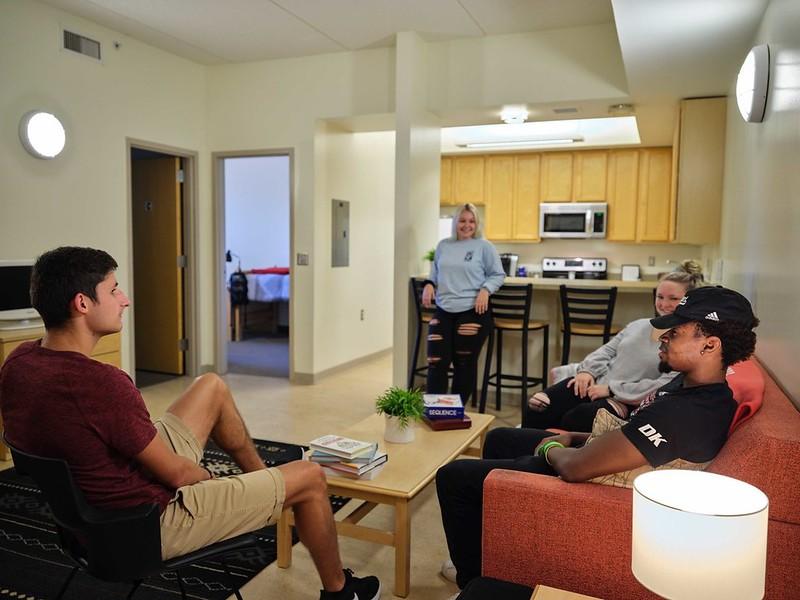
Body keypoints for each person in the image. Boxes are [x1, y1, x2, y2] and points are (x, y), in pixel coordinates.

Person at [0, 247, 380, 600]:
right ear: (82, 303)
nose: (125, 300)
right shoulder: (101, 383)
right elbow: (180, 476)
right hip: (146, 524)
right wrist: (219, 489)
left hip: (89, 517)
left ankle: (269, 490)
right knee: (311, 475)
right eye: (114, 290)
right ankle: (341, 591)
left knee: (210, 386)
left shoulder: (20, 361)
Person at [436, 285, 758, 592]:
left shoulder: (687, 415)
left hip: (585, 482)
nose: (663, 338)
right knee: (500, 439)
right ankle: (485, 551)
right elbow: (630, 435)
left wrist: (550, 446)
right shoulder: (692, 386)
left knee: (453, 477)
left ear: (710, 345)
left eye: (675, 332)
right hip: (605, 454)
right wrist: (574, 435)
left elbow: (575, 469)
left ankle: (471, 579)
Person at [525, 260, 705, 431]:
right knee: (538, 404)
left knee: (575, 418)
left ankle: (548, 458)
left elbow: (663, 386)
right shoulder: (639, 324)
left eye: (673, 298)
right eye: (660, 297)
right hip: (594, 384)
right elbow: (606, 351)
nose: (664, 304)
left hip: (623, 399)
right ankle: (521, 458)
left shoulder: (686, 344)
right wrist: (587, 371)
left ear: (688, 301)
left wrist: (613, 390)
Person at [422, 203, 505, 405]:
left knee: (464, 363)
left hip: (472, 311)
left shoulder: (484, 246)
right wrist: (429, 284)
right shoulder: (443, 245)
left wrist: (486, 290)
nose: (466, 225)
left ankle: (455, 411)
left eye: (471, 221)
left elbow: (498, 274)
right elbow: (435, 274)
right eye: (462, 220)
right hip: (444, 309)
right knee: (436, 363)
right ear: (455, 222)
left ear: (477, 224)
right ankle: (435, 410)